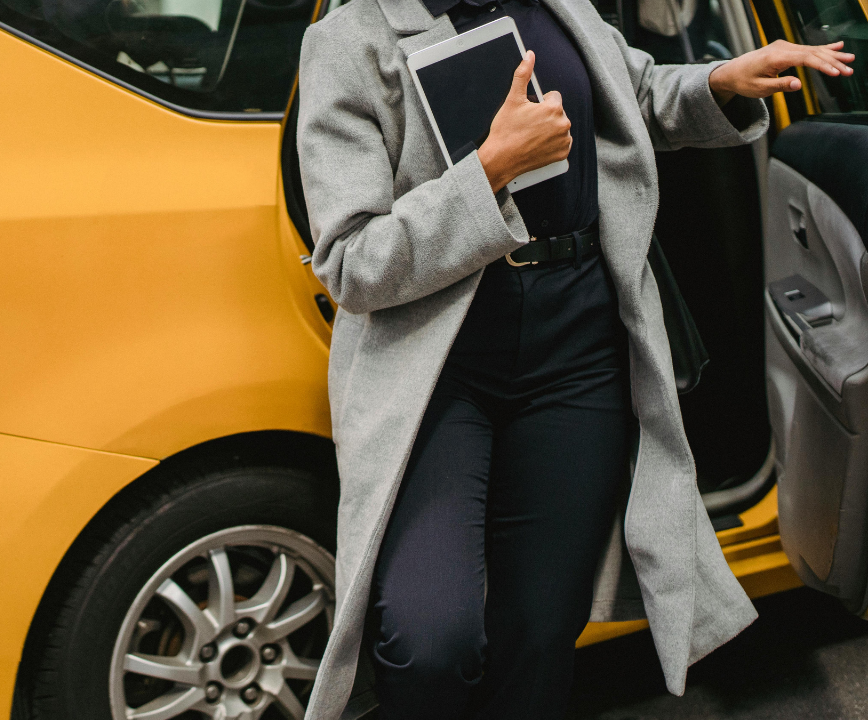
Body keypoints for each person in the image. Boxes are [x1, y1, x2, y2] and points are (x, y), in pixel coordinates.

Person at [293, 0, 853, 715]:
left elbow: (633, 93)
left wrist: (720, 81)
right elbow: (351, 261)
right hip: (437, 365)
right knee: (431, 637)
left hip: (579, 347)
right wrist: (490, 170)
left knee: (541, 630)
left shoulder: (557, 5)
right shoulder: (349, 41)